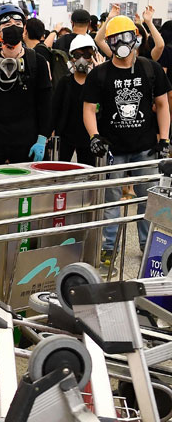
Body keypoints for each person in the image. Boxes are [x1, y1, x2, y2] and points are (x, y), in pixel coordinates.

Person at [83, 14, 171, 264]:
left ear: (136, 38)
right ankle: (109, 248)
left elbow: (163, 103)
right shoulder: (100, 74)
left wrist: (164, 138)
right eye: (114, 39)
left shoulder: (149, 68)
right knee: (110, 202)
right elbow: (89, 108)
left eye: (126, 37)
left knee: (149, 200)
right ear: (107, 42)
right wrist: (94, 135)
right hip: (113, 150)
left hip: (146, 149)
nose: (121, 43)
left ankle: (148, 245)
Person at [0, 4, 52, 164]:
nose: (13, 28)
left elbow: (46, 104)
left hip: (27, 141)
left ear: (25, 29)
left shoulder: (37, 62)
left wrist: (42, 138)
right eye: (6, 25)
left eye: (18, 24)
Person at [52, 34, 98, 167]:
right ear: (71, 57)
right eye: (78, 55)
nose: (82, 60)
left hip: (88, 137)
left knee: (89, 174)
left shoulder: (96, 82)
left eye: (87, 55)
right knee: (62, 172)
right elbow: (55, 108)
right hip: (66, 136)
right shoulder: (65, 82)